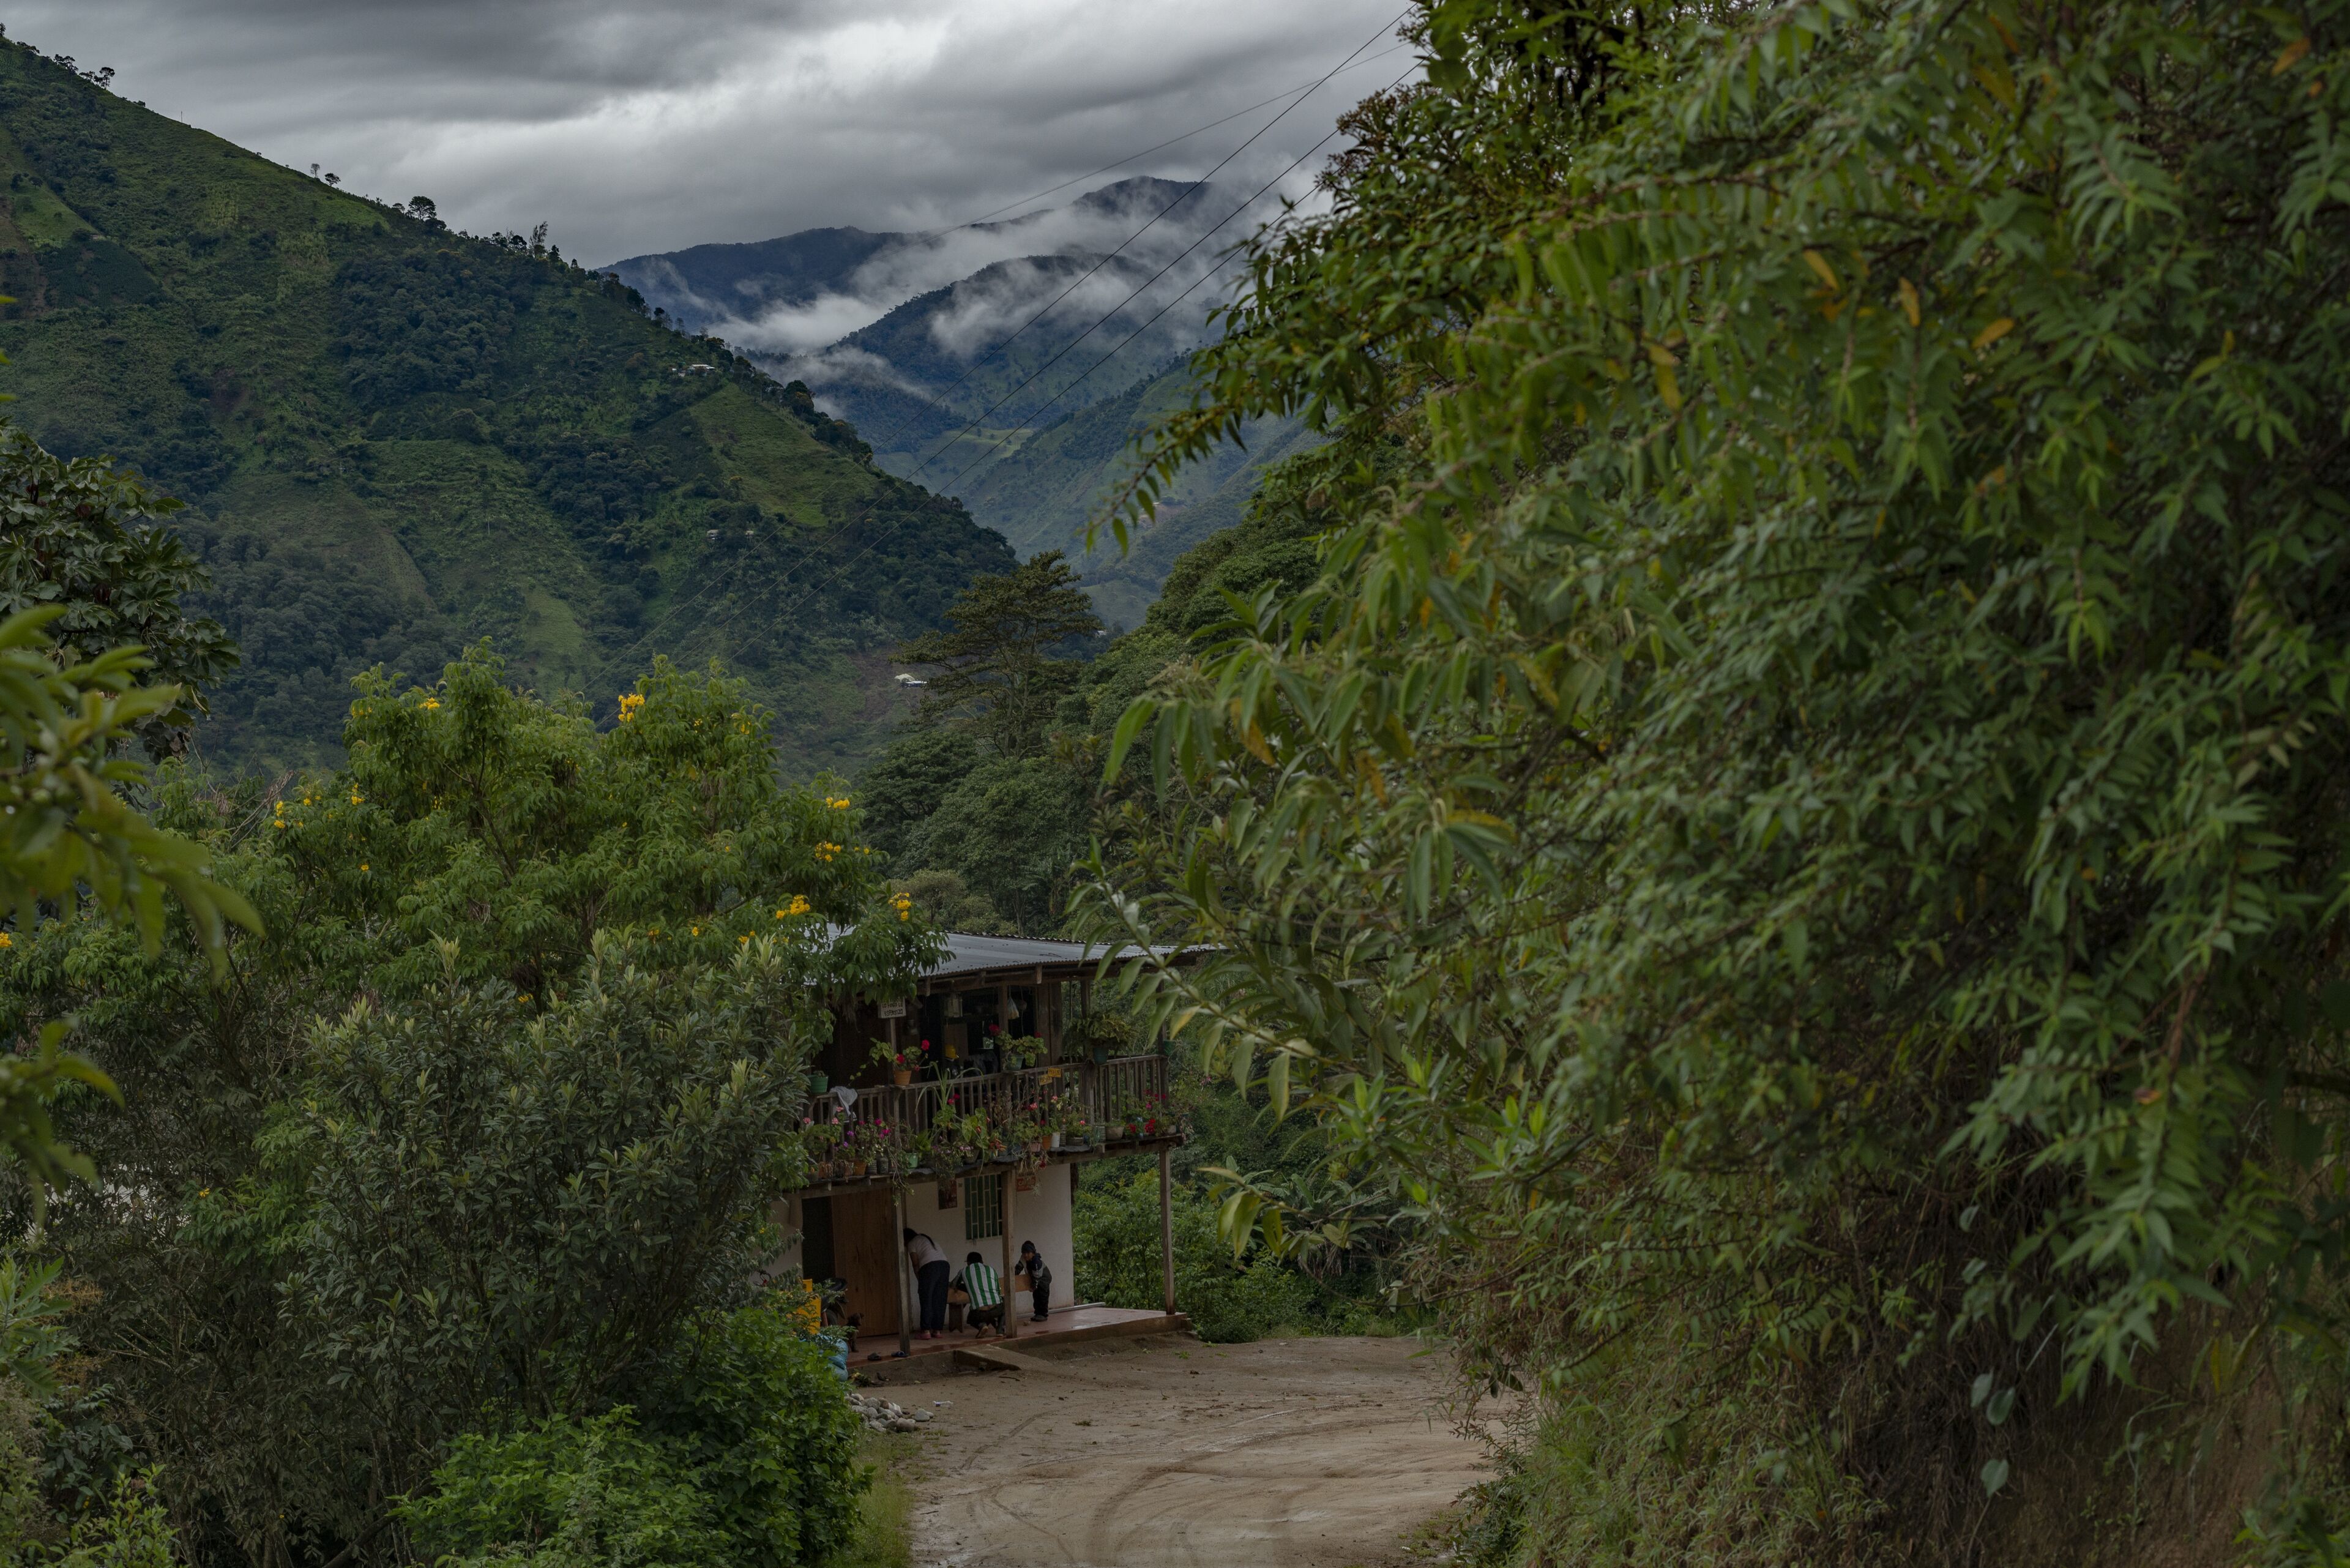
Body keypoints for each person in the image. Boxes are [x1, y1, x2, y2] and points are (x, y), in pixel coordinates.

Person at [904, 1228, 950, 1338]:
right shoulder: (928, 1239)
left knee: (926, 1298)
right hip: (944, 1266)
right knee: (940, 1299)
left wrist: (920, 1279)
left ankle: (925, 1331)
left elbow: (915, 1264)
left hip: (929, 1268)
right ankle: (937, 1330)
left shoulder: (912, 1243)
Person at [954, 1251, 1003, 1334]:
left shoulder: (963, 1271)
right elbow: (999, 1290)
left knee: (970, 1318)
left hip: (979, 1313)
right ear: (982, 1261)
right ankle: (1000, 1330)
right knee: (1004, 1303)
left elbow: (954, 1285)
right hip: (996, 1309)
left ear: (968, 1263)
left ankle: (982, 1325)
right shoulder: (991, 1269)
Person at [1013, 1239, 1052, 1323]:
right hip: (1035, 1278)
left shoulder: (1036, 1262)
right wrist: (1012, 1275)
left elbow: (1037, 1277)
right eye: (1024, 1253)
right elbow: (1019, 1268)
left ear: (1033, 1253)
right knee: (1036, 1297)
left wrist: (1033, 1287)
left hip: (1044, 1279)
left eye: (1028, 1253)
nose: (1026, 1255)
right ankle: (1037, 1314)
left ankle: (1043, 1315)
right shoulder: (1023, 1258)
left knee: (1043, 1297)